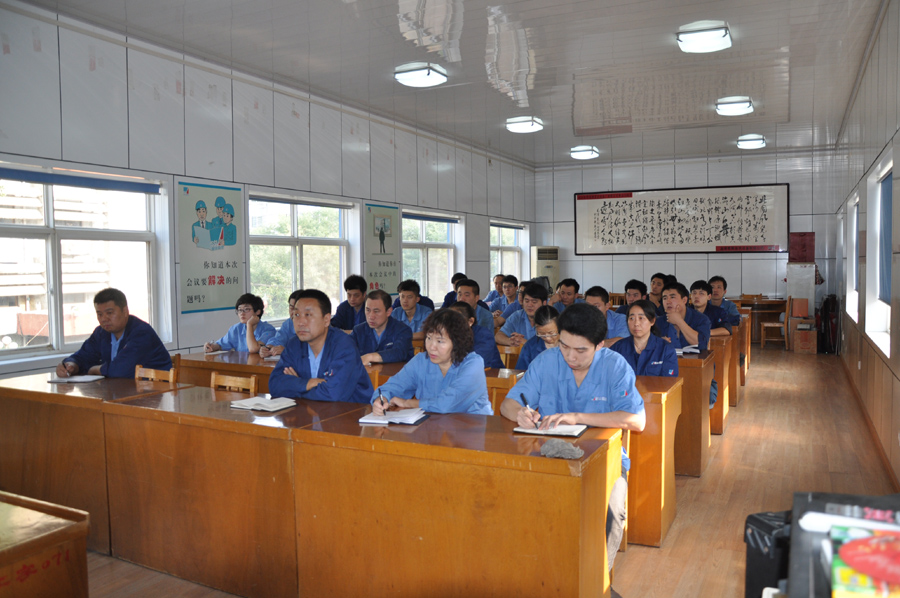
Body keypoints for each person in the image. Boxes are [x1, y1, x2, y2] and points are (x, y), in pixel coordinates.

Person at [499, 303, 645, 574]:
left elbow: (636, 420)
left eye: (581, 350)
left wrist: (577, 417)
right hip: (548, 456)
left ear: (599, 345)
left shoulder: (615, 366)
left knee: (612, 512)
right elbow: (507, 404)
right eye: (564, 346)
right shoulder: (546, 361)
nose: (570, 356)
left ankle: (597, 581)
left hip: (605, 459)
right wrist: (520, 413)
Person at [371, 308, 492, 416]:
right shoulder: (421, 361)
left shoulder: (473, 364)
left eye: (440, 341)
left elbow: (447, 404)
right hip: (432, 428)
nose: (431, 347)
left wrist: (407, 403)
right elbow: (393, 386)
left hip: (470, 429)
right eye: (429, 338)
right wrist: (381, 399)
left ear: (457, 343)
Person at [268, 289, 373, 402]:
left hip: (350, 411)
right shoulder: (294, 344)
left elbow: (333, 394)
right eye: (296, 314)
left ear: (326, 320)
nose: (300, 322)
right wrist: (308, 383)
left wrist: (295, 385)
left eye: (308, 315)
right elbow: (274, 385)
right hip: (310, 410)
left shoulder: (344, 346)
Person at [56, 288, 171, 378]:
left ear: (125, 311)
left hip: (155, 393)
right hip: (122, 392)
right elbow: (83, 356)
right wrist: (71, 365)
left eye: (109, 313)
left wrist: (95, 370)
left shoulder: (142, 333)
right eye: (100, 314)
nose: (104, 319)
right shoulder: (101, 333)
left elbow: (120, 370)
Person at [611, 300, 678, 377]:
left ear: (652, 321)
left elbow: (669, 381)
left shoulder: (666, 349)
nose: (636, 323)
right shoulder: (617, 348)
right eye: (632, 318)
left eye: (641, 318)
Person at [350, 289, 413, 365]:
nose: (371, 316)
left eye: (376, 311)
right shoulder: (358, 331)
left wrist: (371, 357)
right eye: (368, 310)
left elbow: (399, 352)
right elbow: (346, 351)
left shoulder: (403, 330)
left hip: (397, 372)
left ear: (388, 312)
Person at [205, 293, 276, 353]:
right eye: (239, 310)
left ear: (257, 312)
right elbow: (221, 345)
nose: (242, 313)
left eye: (246, 309)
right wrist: (212, 347)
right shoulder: (236, 329)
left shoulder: (269, 330)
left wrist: (249, 325)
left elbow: (253, 349)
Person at [449, 301, 504, 369]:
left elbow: (475, 362)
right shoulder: (448, 335)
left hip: (492, 374)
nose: (451, 324)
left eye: (456, 320)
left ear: (470, 321)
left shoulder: (484, 335)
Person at [661, 281, 710, 351]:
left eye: (672, 297)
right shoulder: (658, 321)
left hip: (694, 358)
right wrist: (658, 342)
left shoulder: (701, 319)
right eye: (665, 298)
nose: (668, 302)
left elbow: (700, 344)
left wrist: (679, 321)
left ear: (684, 300)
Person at [496, 282, 548, 346]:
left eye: (534, 302)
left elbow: (551, 347)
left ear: (544, 303)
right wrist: (512, 341)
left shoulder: (551, 319)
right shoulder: (517, 316)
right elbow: (498, 336)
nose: (529, 305)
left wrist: (525, 342)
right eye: (526, 301)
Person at [260, 290, 303, 358]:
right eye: (291, 308)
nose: (293, 312)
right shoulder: (288, 324)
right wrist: (268, 348)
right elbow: (277, 340)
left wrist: (287, 351)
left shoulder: (314, 326)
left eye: (297, 309)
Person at [515, 306, 559, 370]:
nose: (547, 338)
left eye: (551, 333)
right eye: (542, 334)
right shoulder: (530, 347)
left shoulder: (569, 344)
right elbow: (521, 372)